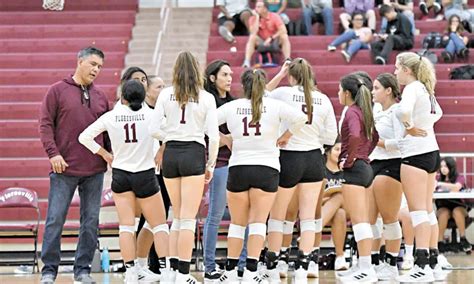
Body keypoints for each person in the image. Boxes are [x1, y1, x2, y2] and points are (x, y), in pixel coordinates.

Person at [217, 69, 307, 283]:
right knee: (258, 223)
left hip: (239, 167)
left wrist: (226, 139)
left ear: (243, 86)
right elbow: (302, 117)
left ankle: (230, 273)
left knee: (237, 224)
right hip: (267, 168)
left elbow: (204, 124)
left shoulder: (232, 106)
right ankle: (250, 272)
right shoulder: (275, 106)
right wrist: (286, 135)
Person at [78, 80, 171, 283]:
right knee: (160, 226)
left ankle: (130, 273)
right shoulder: (151, 116)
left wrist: (104, 154)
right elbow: (171, 134)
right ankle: (166, 272)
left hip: (121, 175)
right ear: (143, 96)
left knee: (126, 227)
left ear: (123, 98)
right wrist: (161, 151)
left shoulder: (111, 117)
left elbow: (83, 137)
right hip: (145, 174)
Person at [38, 46, 109, 284]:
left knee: (90, 222)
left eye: (99, 66)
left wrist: (110, 155)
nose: (96, 70)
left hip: (95, 170)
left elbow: (107, 133)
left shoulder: (101, 97)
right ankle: (49, 270)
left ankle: (83, 270)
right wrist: (53, 154)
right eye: (92, 64)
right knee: (55, 220)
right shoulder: (56, 91)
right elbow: (45, 125)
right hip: (63, 168)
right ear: (79, 62)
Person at [264, 58, 338, 282]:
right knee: (308, 218)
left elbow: (261, 94)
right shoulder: (324, 99)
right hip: (314, 158)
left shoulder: (283, 93)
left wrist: (279, 73)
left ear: (291, 75)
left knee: (278, 216)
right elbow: (331, 137)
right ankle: (303, 267)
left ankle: (274, 267)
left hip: (289, 157)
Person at [149, 51, 220, 284]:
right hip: (193, 153)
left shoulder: (166, 94)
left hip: (171, 154)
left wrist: (168, 136)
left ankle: (171, 272)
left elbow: (153, 129)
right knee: (188, 219)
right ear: (197, 69)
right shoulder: (206, 97)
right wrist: (210, 164)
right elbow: (214, 136)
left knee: (177, 217)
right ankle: (183, 274)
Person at [394, 52, 445, 282]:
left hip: (415, 153)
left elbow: (404, 111)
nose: (395, 72)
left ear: (407, 70)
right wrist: (423, 124)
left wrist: (410, 126)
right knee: (426, 211)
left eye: (397, 68)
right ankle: (433, 263)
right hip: (432, 151)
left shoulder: (413, 87)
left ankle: (421, 266)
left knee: (417, 213)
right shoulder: (427, 88)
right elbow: (439, 113)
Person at [201, 59, 248, 282]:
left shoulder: (234, 102)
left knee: (244, 217)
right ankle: (209, 266)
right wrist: (225, 139)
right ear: (212, 78)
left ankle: (243, 265)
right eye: (224, 75)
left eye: (231, 75)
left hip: (238, 163)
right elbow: (202, 134)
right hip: (217, 164)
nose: (230, 79)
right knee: (215, 216)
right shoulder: (205, 101)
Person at [335, 73, 379, 283]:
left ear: (347, 93)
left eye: (339, 90)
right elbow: (375, 136)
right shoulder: (364, 111)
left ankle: (366, 269)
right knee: (363, 221)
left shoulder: (352, 112)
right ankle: (364, 266)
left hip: (355, 169)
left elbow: (353, 136)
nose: (337, 93)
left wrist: (350, 159)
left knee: (360, 222)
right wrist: (364, 154)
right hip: (366, 167)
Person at [368, 73, 405, 281]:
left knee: (389, 218)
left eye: (376, 88)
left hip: (392, 164)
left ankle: (391, 264)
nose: (373, 92)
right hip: (373, 163)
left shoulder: (397, 111)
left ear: (388, 90)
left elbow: (402, 142)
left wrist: (378, 142)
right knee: (370, 218)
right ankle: (371, 263)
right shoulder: (375, 110)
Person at [321, 139, 350, 271]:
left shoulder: (347, 169)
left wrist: (331, 195)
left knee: (339, 196)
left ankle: (315, 227)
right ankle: (340, 257)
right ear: (328, 152)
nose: (340, 153)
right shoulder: (321, 171)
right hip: (323, 208)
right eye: (337, 149)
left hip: (348, 206)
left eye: (342, 150)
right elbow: (315, 198)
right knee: (339, 213)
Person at [436, 157, 472, 252]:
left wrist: (440, 184)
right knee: (443, 213)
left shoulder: (459, 177)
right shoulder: (438, 178)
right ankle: (439, 242)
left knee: (457, 211)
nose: (443, 168)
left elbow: (456, 187)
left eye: (445, 166)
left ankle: (463, 239)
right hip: (443, 206)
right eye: (441, 166)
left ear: (451, 167)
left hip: (459, 206)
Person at [242, 0, 291, 67]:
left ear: (265, 9)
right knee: (252, 37)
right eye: (256, 7)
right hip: (261, 43)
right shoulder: (252, 18)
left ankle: (287, 60)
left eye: (259, 7)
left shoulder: (274, 16)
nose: (256, 9)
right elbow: (253, 32)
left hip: (274, 42)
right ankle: (246, 61)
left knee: (284, 36)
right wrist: (257, 18)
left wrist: (271, 38)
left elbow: (283, 30)